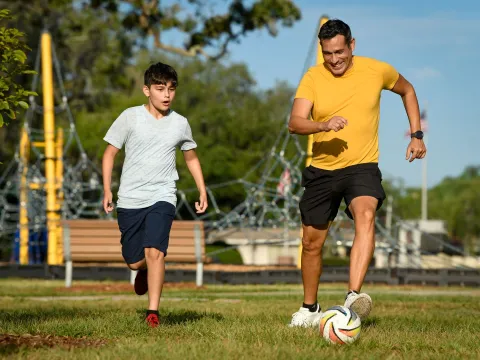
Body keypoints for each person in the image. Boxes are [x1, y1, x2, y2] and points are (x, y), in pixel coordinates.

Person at [287, 19, 426, 327]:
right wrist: (323, 124)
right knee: (312, 243)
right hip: (322, 170)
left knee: (365, 214)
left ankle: (352, 296)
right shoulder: (313, 77)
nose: (334, 59)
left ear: (352, 45)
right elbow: (295, 122)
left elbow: (408, 90)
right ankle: (309, 309)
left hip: (362, 166)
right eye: (327, 53)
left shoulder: (377, 70)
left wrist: (417, 135)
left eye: (339, 51)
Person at [102, 62, 208, 328]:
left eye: (171, 89)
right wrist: (107, 189)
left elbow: (191, 158)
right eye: (160, 89)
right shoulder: (130, 117)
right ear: (146, 90)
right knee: (135, 262)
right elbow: (110, 153)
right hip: (130, 199)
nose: (166, 94)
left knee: (155, 251)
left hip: (163, 195)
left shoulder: (180, 123)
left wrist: (202, 189)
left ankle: (153, 312)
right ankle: (144, 271)